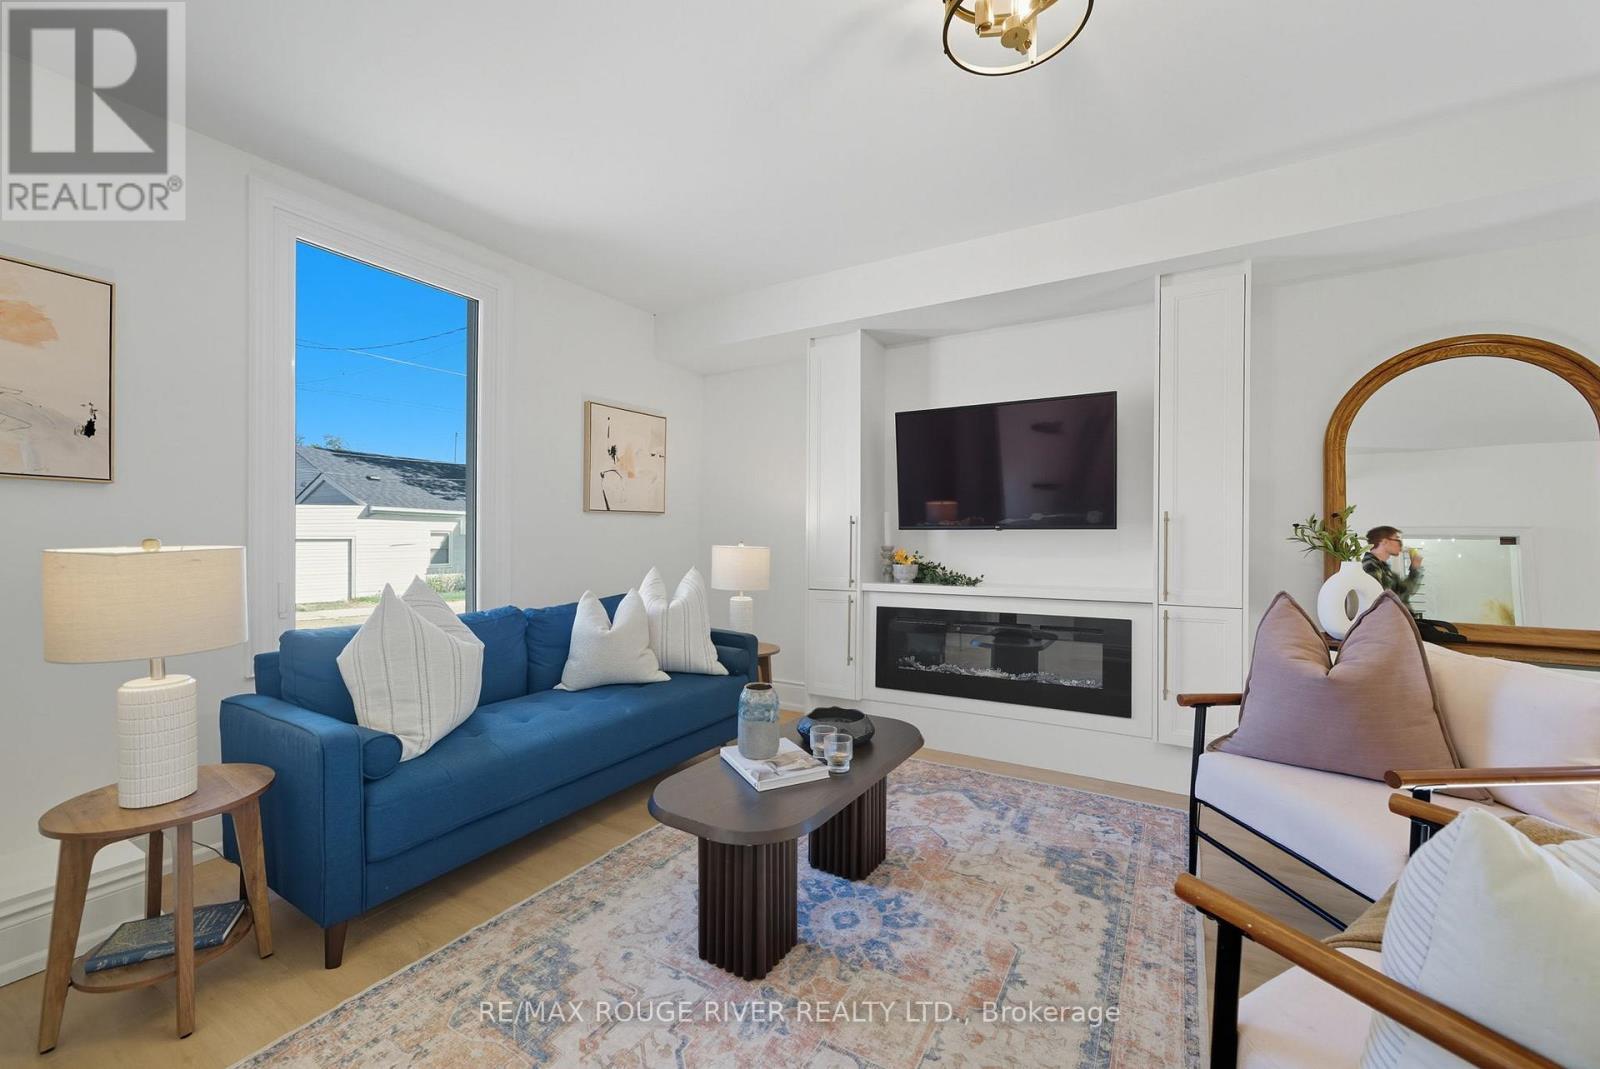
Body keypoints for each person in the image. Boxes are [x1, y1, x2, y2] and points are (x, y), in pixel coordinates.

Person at [1363, 525, 1423, 604]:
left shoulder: (1384, 568)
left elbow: (1405, 591)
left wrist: (1415, 567)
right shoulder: (1370, 566)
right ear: (1384, 542)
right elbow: (1384, 599)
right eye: (1397, 540)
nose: (1400, 544)